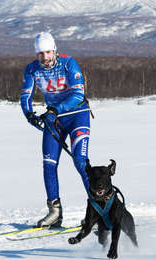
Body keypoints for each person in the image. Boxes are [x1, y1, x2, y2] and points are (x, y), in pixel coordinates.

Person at [20, 32, 91, 228]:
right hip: (54, 119)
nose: (45, 57)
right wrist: (29, 114)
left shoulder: (68, 63)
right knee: (49, 164)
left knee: (80, 161)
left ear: (55, 50)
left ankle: (97, 209)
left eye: (48, 52)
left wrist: (55, 109)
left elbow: (78, 94)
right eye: (40, 53)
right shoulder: (32, 69)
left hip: (77, 115)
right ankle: (55, 212)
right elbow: (25, 95)